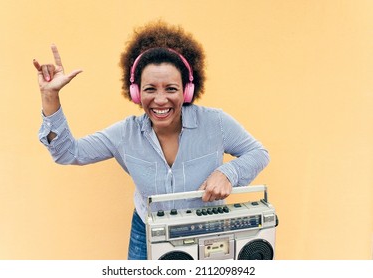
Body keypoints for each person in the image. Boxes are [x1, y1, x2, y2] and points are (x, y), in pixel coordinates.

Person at [33, 20, 270, 260]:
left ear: (187, 91)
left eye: (171, 89)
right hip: (146, 230)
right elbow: (67, 153)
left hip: (207, 230)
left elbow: (259, 153)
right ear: (136, 92)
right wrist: (49, 95)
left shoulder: (216, 123)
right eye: (149, 89)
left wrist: (228, 173)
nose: (160, 99)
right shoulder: (124, 134)